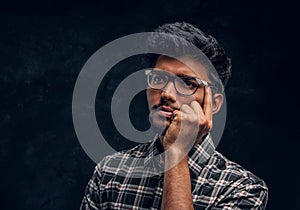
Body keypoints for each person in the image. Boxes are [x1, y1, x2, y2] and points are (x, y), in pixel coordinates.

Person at [80, 22, 268, 209]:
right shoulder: (110, 174)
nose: (166, 93)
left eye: (187, 83)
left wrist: (176, 151)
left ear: (215, 103)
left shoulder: (241, 189)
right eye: (159, 79)